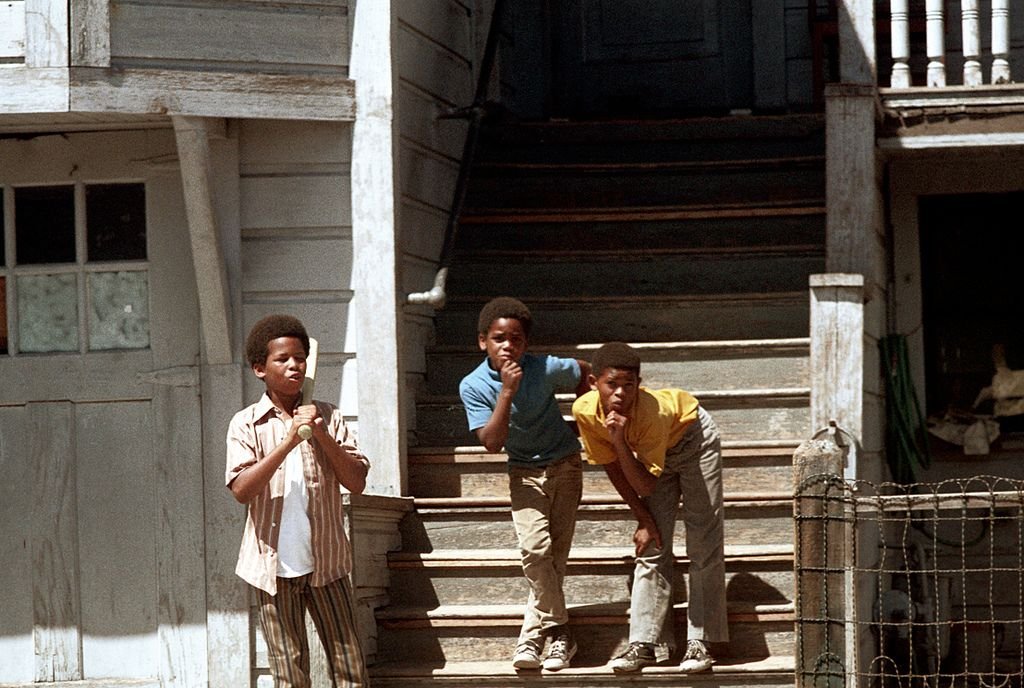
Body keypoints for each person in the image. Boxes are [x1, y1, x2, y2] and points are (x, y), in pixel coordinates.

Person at [226, 314, 371, 687]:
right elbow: (242, 490)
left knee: (349, 668)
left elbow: (356, 481)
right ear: (260, 368)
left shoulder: (329, 416)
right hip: (271, 570)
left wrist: (320, 434)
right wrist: (289, 440)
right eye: (283, 359)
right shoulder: (246, 424)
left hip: (327, 564)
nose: (294, 365)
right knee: (289, 673)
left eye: (300, 358)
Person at [571, 341, 728, 674]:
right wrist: (643, 519)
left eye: (630, 385)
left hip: (693, 439)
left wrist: (617, 438)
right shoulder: (584, 411)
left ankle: (700, 641)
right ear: (593, 383)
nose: (620, 394)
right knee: (652, 545)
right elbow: (612, 467)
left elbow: (645, 485)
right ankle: (644, 642)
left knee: (703, 540)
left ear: (639, 385)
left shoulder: (649, 412)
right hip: (646, 458)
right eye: (612, 384)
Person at [458, 297, 591, 671]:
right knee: (535, 551)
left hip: (564, 465)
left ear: (526, 344)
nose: (508, 346)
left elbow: (585, 372)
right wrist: (506, 392)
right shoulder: (472, 385)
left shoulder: (544, 367)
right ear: (483, 341)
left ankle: (535, 641)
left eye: (516, 339)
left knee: (556, 557)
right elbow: (491, 441)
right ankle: (560, 630)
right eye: (499, 338)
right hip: (523, 472)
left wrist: (585, 420)